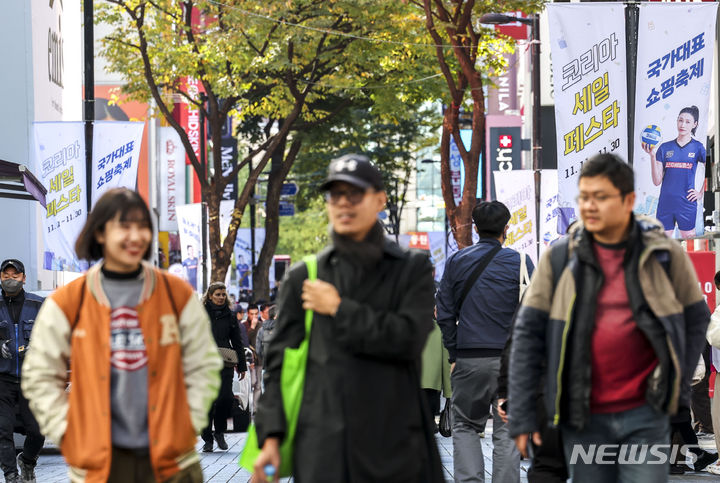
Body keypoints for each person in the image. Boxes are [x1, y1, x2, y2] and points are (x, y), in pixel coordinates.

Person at [509, 154, 711, 482]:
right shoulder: (560, 258)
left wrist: (677, 386)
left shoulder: (663, 254)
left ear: (629, 200)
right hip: (583, 413)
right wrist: (520, 415)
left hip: (647, 413)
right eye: (584, 197)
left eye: (600, 197)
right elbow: (527, 333)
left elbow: (696, 318)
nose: (589, 206)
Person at [251, 154, 443, 482]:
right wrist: (271, 438)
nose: (343, 204)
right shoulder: (304, 277)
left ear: (380, 200)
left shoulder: (412, 269)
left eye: (354, 195)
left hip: (395, 447)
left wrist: (339, 308)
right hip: (324, 449)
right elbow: (279, 365)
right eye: (335, 195)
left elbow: (407, 340)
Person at [21, 188, 223, 483]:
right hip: (99, 468)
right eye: (124, 226)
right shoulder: (68, 302)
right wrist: (69, 434)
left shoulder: (176, 294)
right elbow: (39, 376)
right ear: (100, 233)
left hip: (172, 465)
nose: (136, 235)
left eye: (142, 226)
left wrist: (186, 425)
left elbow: (203, 365)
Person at [435, 200, 533, 483]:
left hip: (469, 358)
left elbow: (444, 312)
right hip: (511, 363)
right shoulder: (522, 263)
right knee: (507, 428)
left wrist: (453, 354)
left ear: (475, 228)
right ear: (507, 228)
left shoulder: (456, 261)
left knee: (464, 424)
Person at [0, 259, 45, 483]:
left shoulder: (39, 305)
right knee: (2, 430)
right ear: (0, 278)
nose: (10, 280)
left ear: (24, 278)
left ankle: (27, 462)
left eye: (15, 276)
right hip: (2, 380)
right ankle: (11, 476)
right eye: (6, 276)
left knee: (37, 431)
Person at [642, 105, 706, 238]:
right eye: (680, 120)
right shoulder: (664, 148)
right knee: (662, 246)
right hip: (666, 204)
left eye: (687, 122)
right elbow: (656, 181)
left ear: (695, 124)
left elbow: (710, 167)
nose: (682, 124)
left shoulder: (698, 147)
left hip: (686, 204)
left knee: (690, 245)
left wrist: (700, 193)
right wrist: (652, 156)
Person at [201, 281, 247, 453]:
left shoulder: (230, 315)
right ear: (210, 295)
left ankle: (219, 431)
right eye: (217, 294)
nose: (221, 297)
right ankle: (208, 439)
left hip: (224, 362)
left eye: (223, 294)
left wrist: (241, 365)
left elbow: (237, 341)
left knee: (225, 398)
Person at [242, 305, 263, 415]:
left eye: (256, 313)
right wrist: (252, 328)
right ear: (248, 314)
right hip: (247, 359)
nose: (254, 316)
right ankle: (247, 408)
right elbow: (246, 340)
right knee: (250, 383)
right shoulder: (244, 325)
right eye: (252, 314)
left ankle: (255, 408)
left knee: (258, 385)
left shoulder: (261, 325)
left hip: (259, 360)